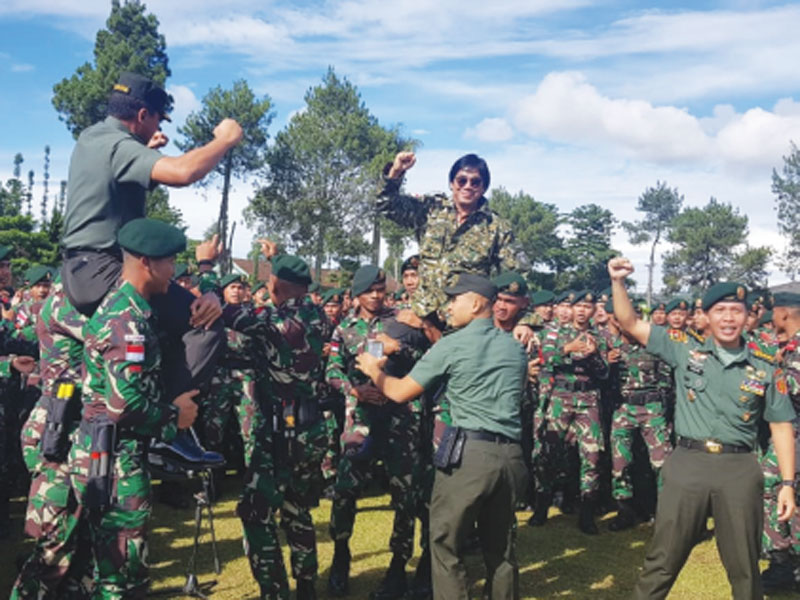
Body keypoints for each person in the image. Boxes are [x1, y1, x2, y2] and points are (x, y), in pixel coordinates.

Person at [607, 257, 797, 600]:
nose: (728, 318)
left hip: (738, 469)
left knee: (744, 568)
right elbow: (629, 322)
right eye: (720, 310)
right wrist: (618, 282)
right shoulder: (684, 348)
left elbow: (781, 425)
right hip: (688, 464)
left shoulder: (765, 366)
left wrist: (786, 483)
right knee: (662, 559)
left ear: (747, 316)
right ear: (707, 316)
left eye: (736, 311)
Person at [59, 71, 241, 400]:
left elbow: (118, 180)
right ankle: (168, 420)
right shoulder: (119, 146)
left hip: (80, 269)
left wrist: (146, 148)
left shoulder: (92, 137)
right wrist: (224, 140)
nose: (159, 130)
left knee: (161, 336)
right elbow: (184, 172)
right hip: (105, 269)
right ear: (143, 115)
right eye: (158, 121)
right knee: (205, 325)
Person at [355, 273, 528, 600]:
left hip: (470, 457)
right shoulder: (514, 348)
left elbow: (399, 392)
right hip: (511, 457)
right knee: (500, 551)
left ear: (476, 303)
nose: (449, 307)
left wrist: (373, 370)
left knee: (444, 543)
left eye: (455, 299)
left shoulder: (453, 344)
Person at [69, 218, 202, 597]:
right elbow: (122, 403)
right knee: (123, 577)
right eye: (170, 262)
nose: (173, 272)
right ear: (147, 262)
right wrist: (175, 415)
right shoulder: (126, 319)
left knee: (113, 569)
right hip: (115, 459)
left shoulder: (133, 309)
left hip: (112, 453)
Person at [226, 250, 332, 600]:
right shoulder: (317, 315)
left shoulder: (271, 319)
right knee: (297, 509)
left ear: (277, 283)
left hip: (279, 432)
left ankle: (274, 591)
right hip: (310, 427)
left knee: (255, 511)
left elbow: (229, 316)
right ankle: (306, 589)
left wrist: (209, 272)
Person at [325, 266, 429, 599]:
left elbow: (427, 360)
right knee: (345, 491)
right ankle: (341, 556)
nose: (375, 295)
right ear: (356, 293)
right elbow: (331, 369)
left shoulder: (402, 321)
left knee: (405, 494)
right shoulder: (344, 329)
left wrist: (400, 349)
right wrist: (354, 390)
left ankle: (398, 566)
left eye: (380, 289)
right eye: (369, 290)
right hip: (362, 420)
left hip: (402, 419)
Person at [376, 152, 532, 344]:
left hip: (465, 321)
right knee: (385, 349)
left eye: (475, 182)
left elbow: (518, 276)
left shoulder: (497, 227)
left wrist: (524, 321)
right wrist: (396, 172)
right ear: (452, 183)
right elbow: (387, 206)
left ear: (483, 188)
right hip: (423, 313)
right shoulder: (431, 209)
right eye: (462, 180)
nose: (468, 186)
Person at [533, 290, 609, 534]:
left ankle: (587, 513)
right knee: (549, 452)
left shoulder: (599, 336)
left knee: (593, 455)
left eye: (587, 307)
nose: (582, 311)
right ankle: (541, 506)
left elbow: (605, 372)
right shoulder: (557, 333)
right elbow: (545, 359)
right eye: (578, 307)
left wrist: (595, 354)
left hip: (588, 398)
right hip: (560, 397)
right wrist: (567, 348)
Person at [758, 293, 800, 591]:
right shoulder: (787, 347)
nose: (770, 319)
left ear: (784, 313)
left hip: (793, 433)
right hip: (789, 431)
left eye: (773, 313)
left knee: (776, 488)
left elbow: (791, 389)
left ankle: (785, 564)